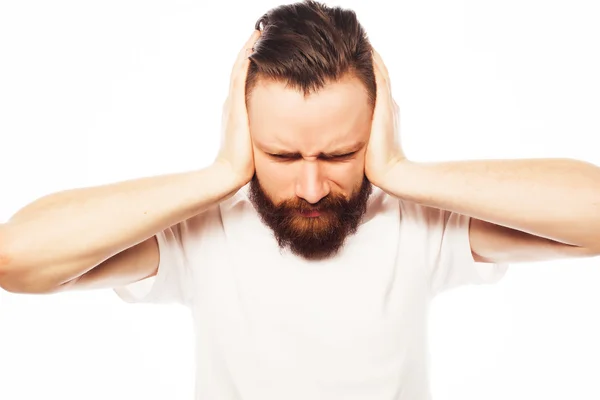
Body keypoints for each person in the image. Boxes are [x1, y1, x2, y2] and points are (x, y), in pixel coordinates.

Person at [1, 0, 599, 399]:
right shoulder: (196, 233)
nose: (312, 190)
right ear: (244, 133)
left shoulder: (420, 224)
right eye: (283, 157)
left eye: (340, 154)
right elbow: (16, 259)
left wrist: (397, 170)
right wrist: (221, 174)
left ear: (376, 127)